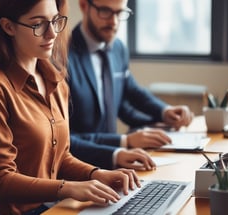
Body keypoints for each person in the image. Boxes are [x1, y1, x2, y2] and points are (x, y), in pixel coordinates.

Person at [0, 1, 141, 215]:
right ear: (8, 27)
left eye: (55, 21)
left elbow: (60, 158)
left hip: (54, 206)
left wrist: (96, 174)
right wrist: (68, 188)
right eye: (38, 24)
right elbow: (0, 179)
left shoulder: (55, 79)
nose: (52, 33)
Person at [68, 0, 194, 170]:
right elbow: (65, 139)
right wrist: (125, 141)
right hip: (81, 169)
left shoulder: (118, 48)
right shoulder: (63, 55)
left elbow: (130, 93)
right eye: (105, 11)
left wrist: (164, 113)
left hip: (117, 166)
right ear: (84, 6)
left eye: (119, 13)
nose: (113, 21)